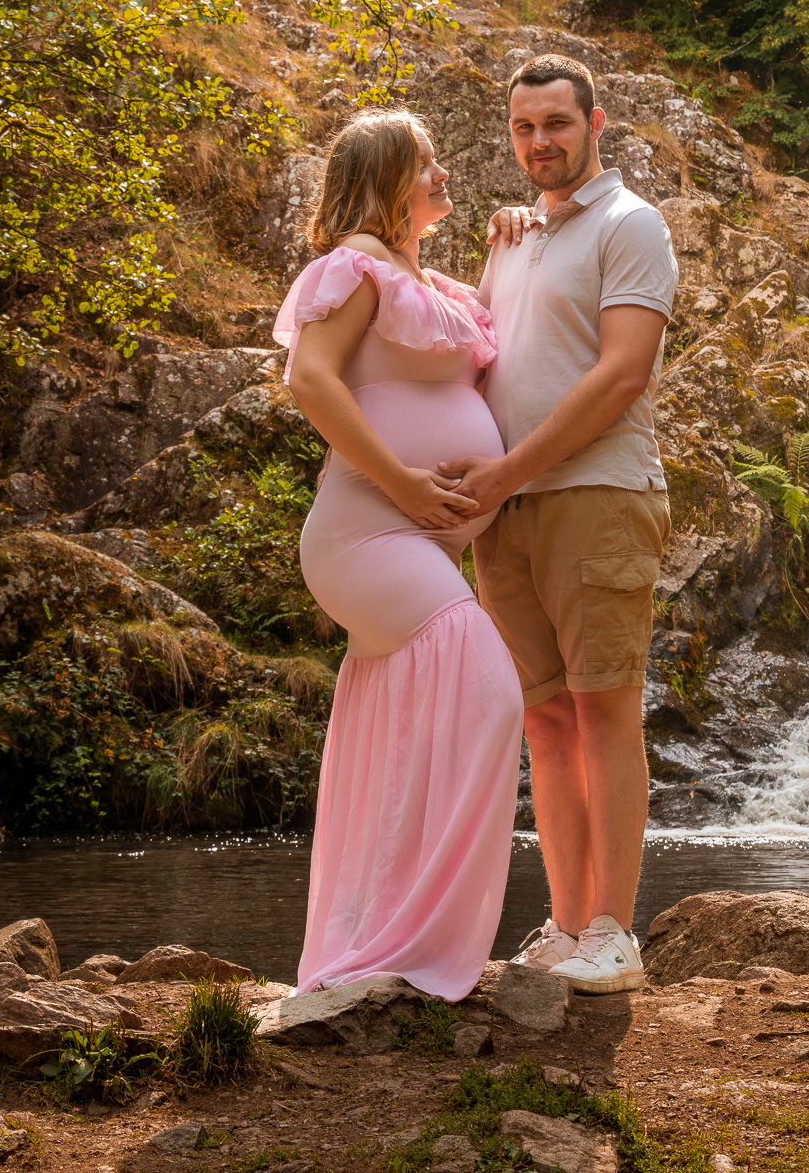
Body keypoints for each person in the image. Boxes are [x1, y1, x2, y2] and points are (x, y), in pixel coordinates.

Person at [438, 53, 679, 994]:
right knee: (545, 715)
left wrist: (503, 472)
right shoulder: (510, 237)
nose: (541, 142)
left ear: (596, 122)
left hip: (598, 495)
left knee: (605, 705)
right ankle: (570, 922)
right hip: (510, 509)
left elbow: (622, 376)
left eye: (557, 124)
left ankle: (616, 932)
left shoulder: (632, 224)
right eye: (524, 128)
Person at [275, 109, 524, 1001]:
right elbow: (310, 380)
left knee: (403, 742)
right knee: (492, 695)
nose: (446, 175)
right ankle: (417, 940)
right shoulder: (353, 269)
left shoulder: (431, 279)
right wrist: (408, 487)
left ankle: (375, 940)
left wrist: (513, 234)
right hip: (367, 532)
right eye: (428, 165)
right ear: (386, 179)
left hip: (421, 539)